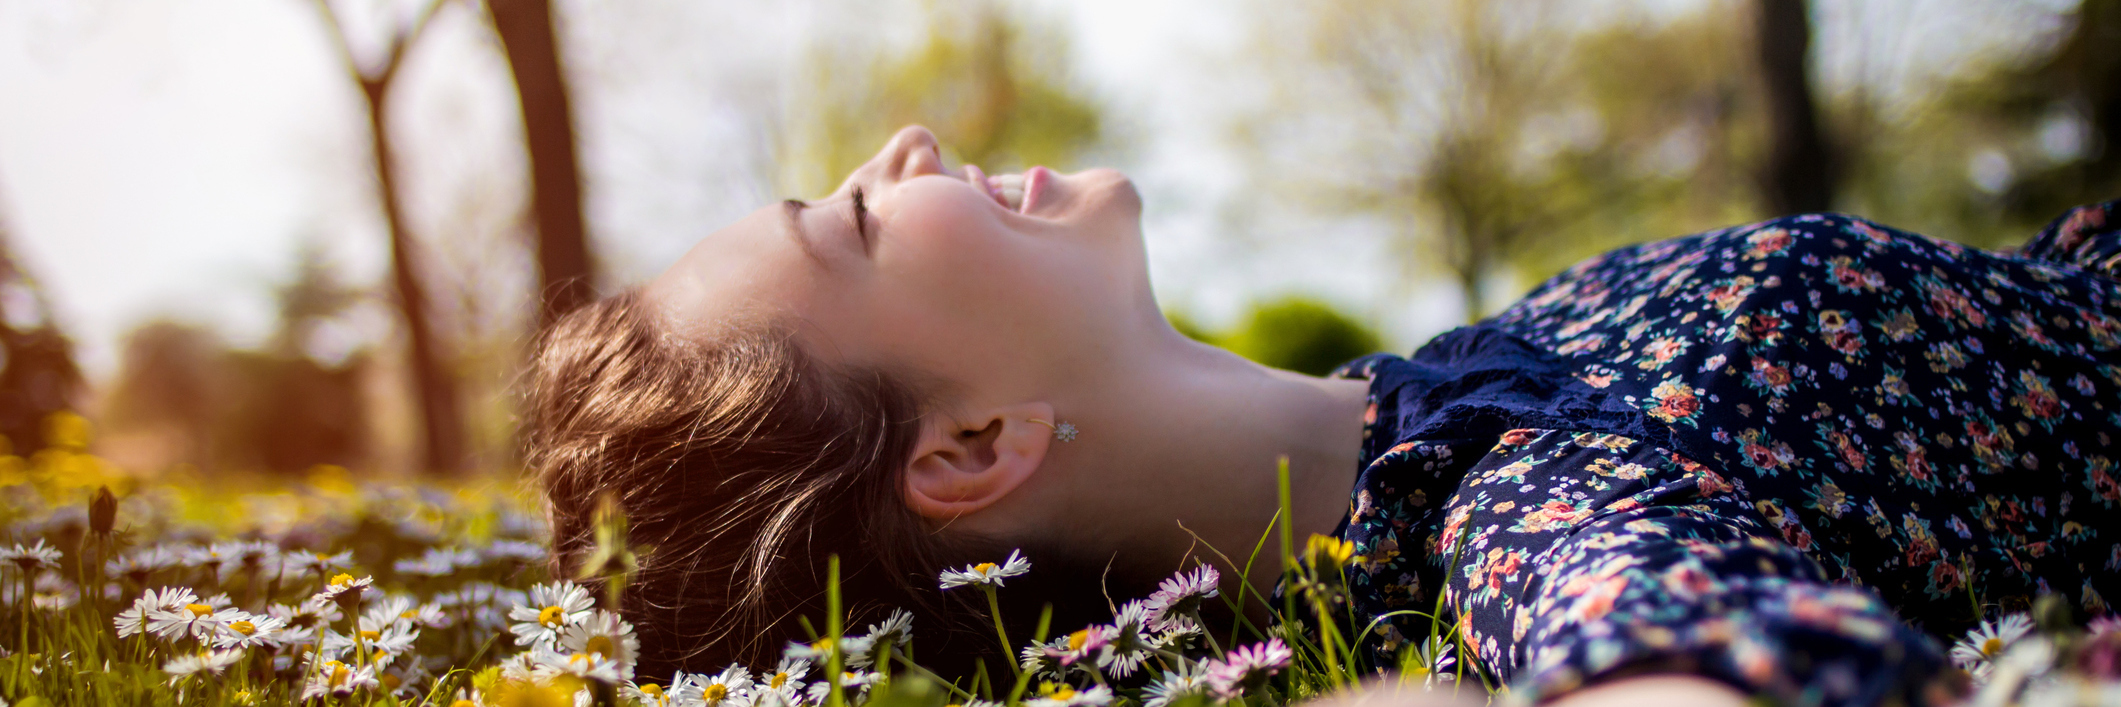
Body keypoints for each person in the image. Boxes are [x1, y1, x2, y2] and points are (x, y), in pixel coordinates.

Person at [524, 125, 2121, 707]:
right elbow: (1684, 656)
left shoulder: (1446, 389)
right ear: (966, 451)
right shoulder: (1519, 509)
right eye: (856, 228)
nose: (911, 142)